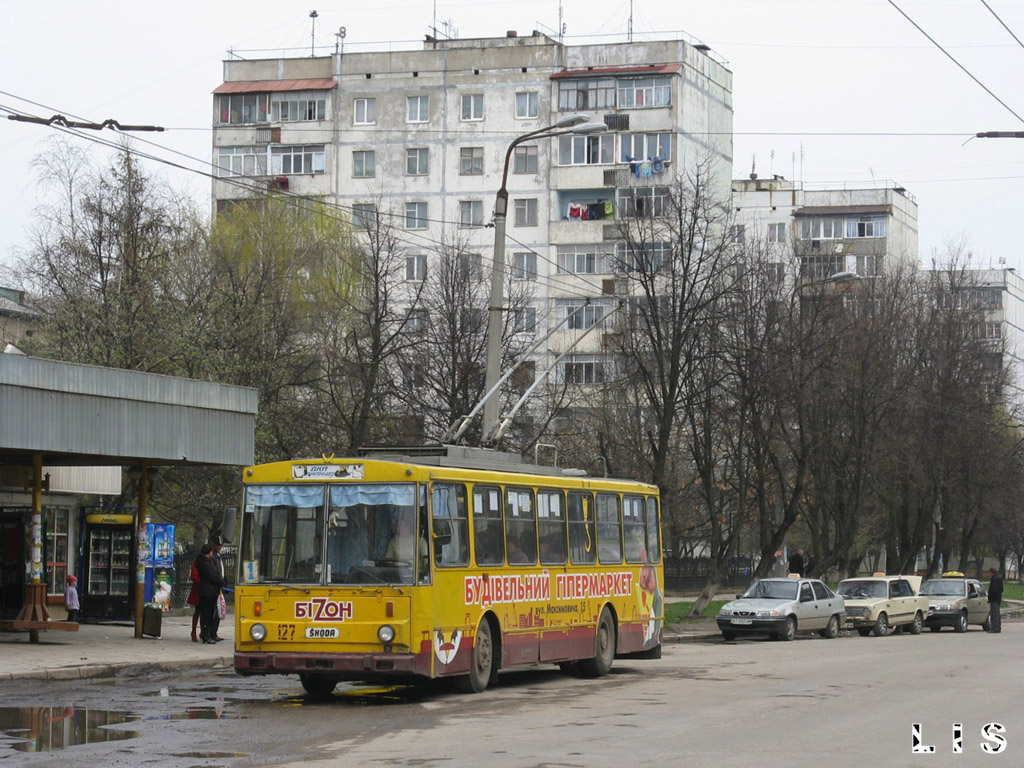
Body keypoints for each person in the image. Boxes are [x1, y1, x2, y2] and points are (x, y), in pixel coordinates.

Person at [195, 544, 226, 644]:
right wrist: (221, 582)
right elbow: (213, 575)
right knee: (207, 614)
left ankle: (208, 634)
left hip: (210, 591)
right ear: (209, 552)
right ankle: (206, 635)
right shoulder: (205, 562)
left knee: (209, 614)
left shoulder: (205, 561)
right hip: (208, 591)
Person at [209, 535, 226, 642]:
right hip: (214, 587)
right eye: (218, 545)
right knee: (214, 612)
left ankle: (214, 632)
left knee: (218, 611)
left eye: (221, 545)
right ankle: (211, 633)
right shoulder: (212, 557)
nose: (219, 547)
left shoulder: (218, 556)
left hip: (219, 586)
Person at [187, 558, 201, 642]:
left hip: (206, 588)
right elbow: (194, 576)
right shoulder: (198, 563)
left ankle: (203, 631)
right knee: (198, 610)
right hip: (198, 590)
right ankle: (194, 631)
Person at [987, 566, 1003, 633]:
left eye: (989, 573)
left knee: (994, 614)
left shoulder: (994, 579)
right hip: (998, 598)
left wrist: (990, 596)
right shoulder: (999, 578)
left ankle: (994, 628)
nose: (989, 574)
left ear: (991, 572)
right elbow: (1001, 589)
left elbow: (993, 589)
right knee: (997, 613)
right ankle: (998, 627)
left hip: (994, 599)